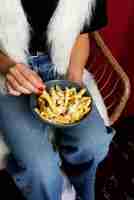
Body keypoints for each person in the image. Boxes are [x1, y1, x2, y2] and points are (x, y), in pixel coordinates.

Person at [0, 0, 114, 199]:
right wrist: (8, 67)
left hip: (62, 62)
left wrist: (74, 80)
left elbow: (82, 32)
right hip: (6, 69)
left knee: (94, 143)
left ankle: (78, 188)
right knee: (40, 167)